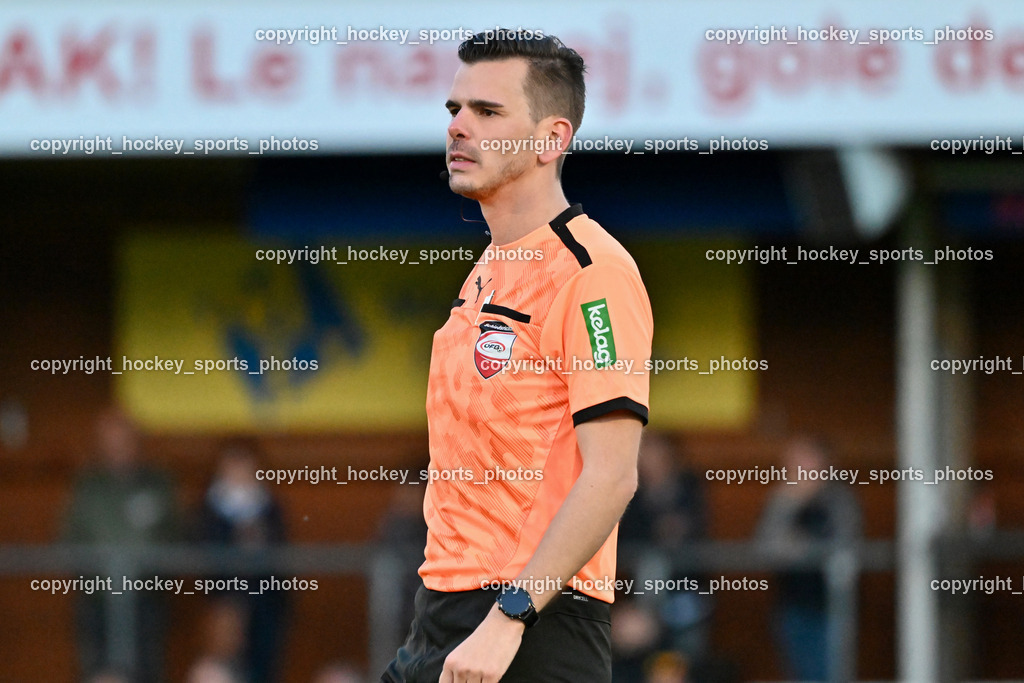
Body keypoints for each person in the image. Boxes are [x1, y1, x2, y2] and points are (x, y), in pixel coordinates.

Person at [382, 29, 654, 683]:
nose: (459, 127)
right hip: (441, 615)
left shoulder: (593, 272)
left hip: (531, 623)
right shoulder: (485, 271)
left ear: (552, 138)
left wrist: (508, 619)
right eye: (454, 110)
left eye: (488, 111)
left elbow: (612, 476)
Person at [62, 408, 179, 682]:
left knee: (147, 671)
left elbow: (176, 535)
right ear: (100, 445)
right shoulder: (86, 486)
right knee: (98, 672)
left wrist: (144, 570)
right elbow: (69, 539)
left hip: (147, 600)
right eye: (109, 441)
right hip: (97, 602)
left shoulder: (158, 482)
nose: (117, 448)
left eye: (123, 440)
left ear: (136, 442)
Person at [755, 435, 862, 682]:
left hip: (833, 604)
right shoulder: (781, 498)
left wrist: (799, 547)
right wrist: (790, 504)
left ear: (824, 462)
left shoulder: (841, 498)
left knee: (831, 673)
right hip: (792, 603)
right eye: (791, 459)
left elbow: (843, 545)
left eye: (804, 458)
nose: (795, 466)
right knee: (800, 674)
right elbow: (767, 546)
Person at [195, 442, 288, 683]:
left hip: (265, 604)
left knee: (262, 667)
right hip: (222, 601)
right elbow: (202, 549)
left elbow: (281, 550)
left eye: (245, 466)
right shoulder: (207, 507)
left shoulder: (271, 507)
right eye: (233, 466)